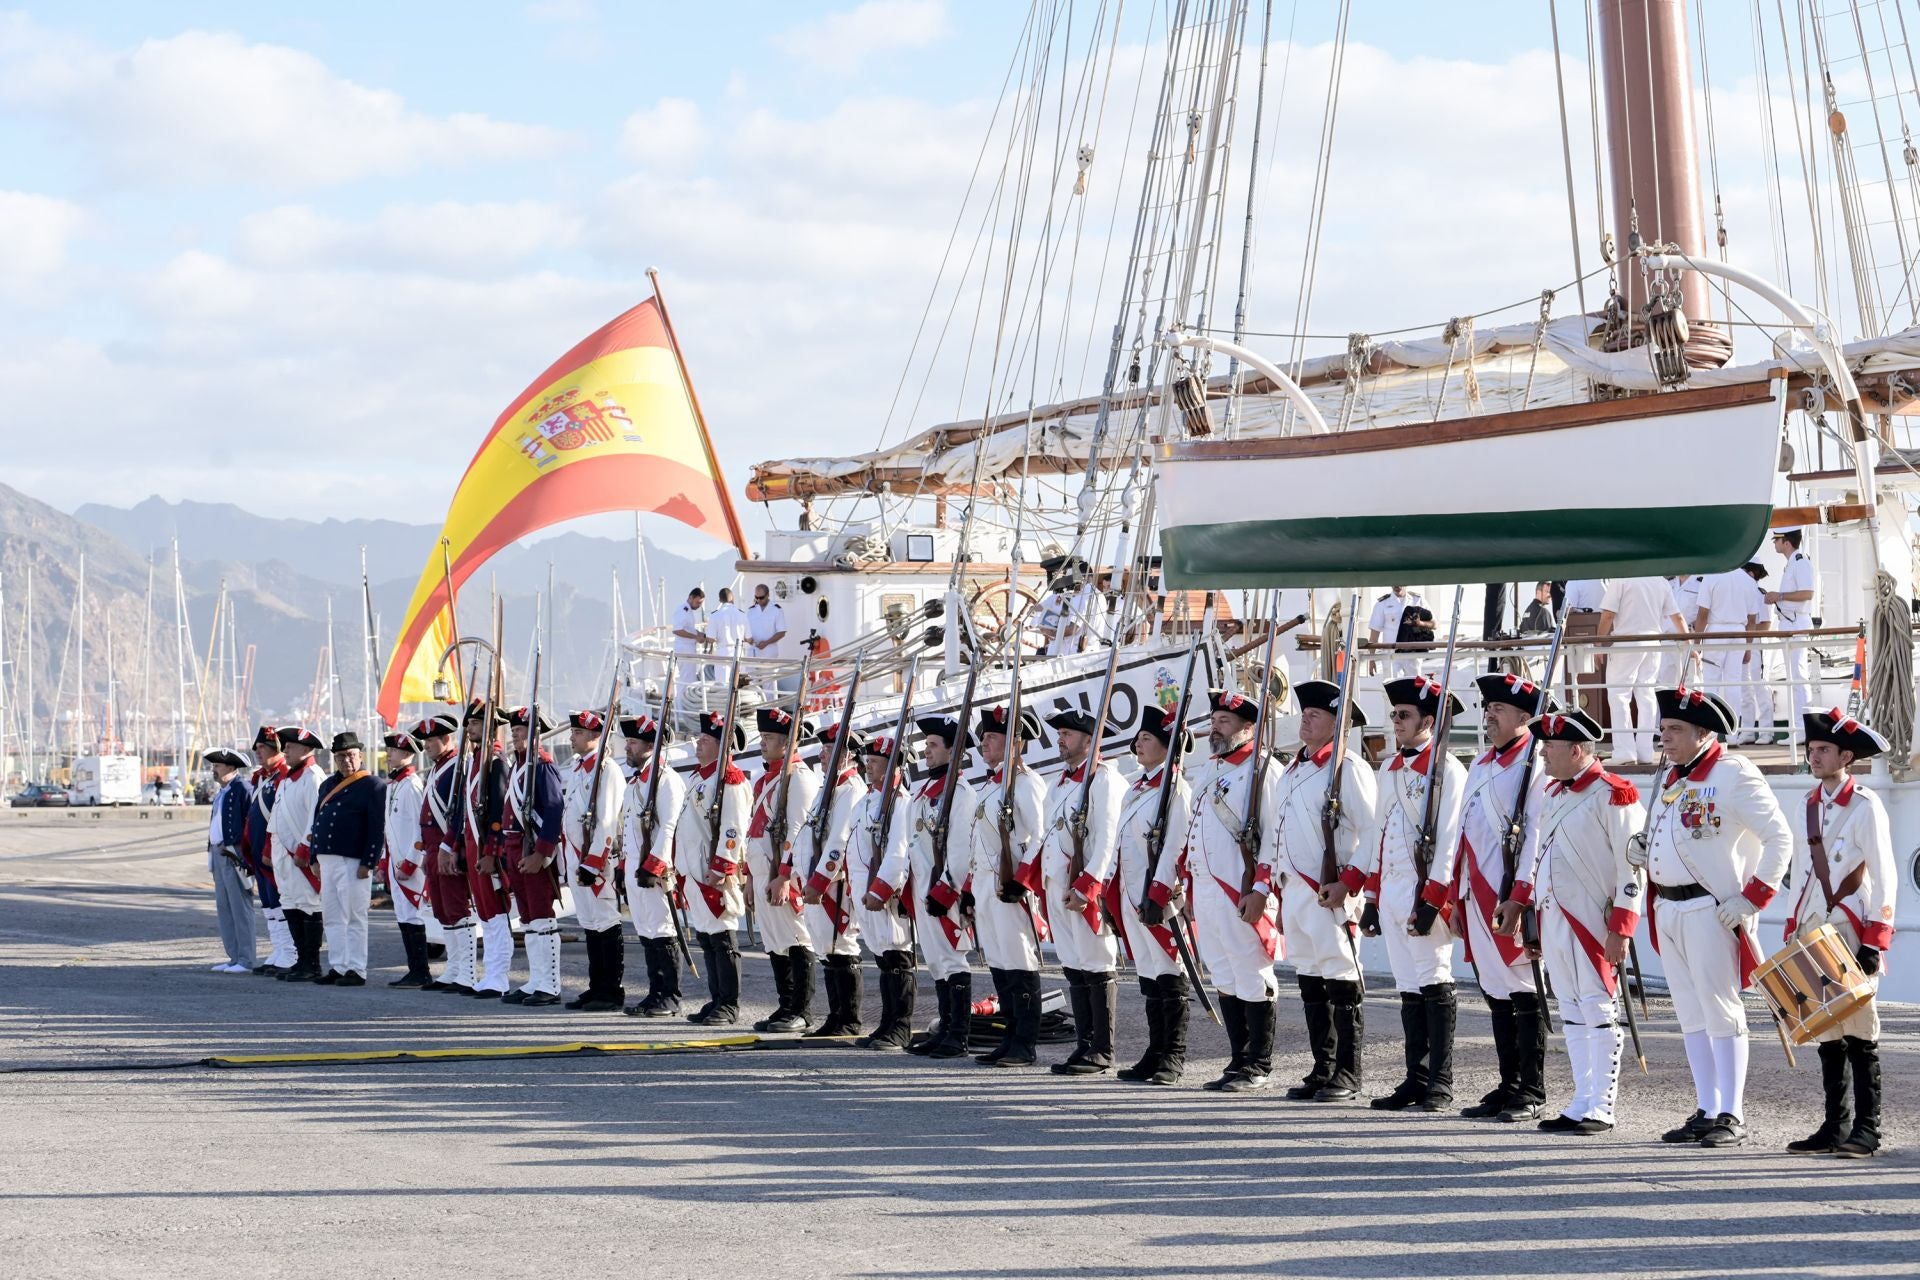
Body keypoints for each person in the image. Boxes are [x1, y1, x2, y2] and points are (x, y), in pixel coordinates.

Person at [1624, 686, 1792, 1149]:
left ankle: (1731, 1112)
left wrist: (1753, 898)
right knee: (1690, 1015)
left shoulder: (1733, 773)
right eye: (1662, 730)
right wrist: (1643, 850)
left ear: (1703, 733)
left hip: (1710, 908)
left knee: (1721, 1011)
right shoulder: (1674, 777)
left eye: (1675, 730)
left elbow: (1780, 838)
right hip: (1670, 907)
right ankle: (1706, 1106)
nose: (1665, 739)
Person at [1500, 709, 1642, 1135]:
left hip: (1592, 922)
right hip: (1555, 917)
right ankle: (1582, 1099)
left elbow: (1631, 868)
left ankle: (1603, 1105)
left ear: (1577, 750)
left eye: (1550, 748)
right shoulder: (1555, 793)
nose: (1542, 755)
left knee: (1599, 1010)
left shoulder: (1614, 794)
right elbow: (1541, 856)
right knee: (1573, 1013)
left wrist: (1622, 928)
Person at [1782, 708, 1897, 1157]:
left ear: (1846, 756)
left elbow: (1885, 877)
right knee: (1825, 1027)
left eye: (1823, 750)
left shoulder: (1866, 806)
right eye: (1811, 750)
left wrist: (1875, 940)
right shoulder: (1806, 805)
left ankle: (1868, 1129)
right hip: (1812, 928)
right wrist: (1792, 928)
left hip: (1850, 927)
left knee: (1860, 1029)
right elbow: (1801, 873)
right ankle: (1835, 1125)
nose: (1814, 756)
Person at [1360, 676, 1465, 1113]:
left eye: (1404, 716)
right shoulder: (1390, 768)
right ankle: (1415, 1078)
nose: (1396, 722)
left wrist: (1432, 900)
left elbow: (1450, 839)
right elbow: (1378, 834)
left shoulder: (1449, 770)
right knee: (1409, 988)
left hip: (1425, 893)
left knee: (1435, 980)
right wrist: (1370, 896)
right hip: (1394, 891)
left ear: (1429, 720)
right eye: (1394, 715)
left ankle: (1440, 1081)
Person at [1274, 680, 1379, 1103]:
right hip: (1297, 890)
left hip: (1329, 890)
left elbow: (1371, 832)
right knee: (1311, 980)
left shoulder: (1348, 767)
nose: (1305, 719)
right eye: (1305, 713)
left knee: (1340, 976)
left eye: (1316, 715)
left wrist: (1349, 882)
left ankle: (1348, 1073)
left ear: (1338, 725)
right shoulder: (1294, 768)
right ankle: (1323, 1066)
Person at [1457, 675, 1549, 1121]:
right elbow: (1464, 832)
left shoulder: (1535, 763)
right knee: (1496, 991)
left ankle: (1530, 1088)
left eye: (1499, 708)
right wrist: (1456, 895)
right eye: (1487, 707)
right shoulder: (1481, 764)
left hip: (1510, 893)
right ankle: (1508, 1082)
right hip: (1477, 893)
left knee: (1523, 990)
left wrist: (1521, 894)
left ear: (1524, 718)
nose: (1489, 715)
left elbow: (1534, 835)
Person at [1183, 690, 1283, 1092]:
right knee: (1223, 972)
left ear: (1247, 728)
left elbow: (1275, 836)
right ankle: (1238, 1059)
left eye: (1225, 721)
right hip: (1208, 888)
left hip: (1239, 887)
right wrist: (1191, 887)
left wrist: (1260, 887)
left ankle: (1259, 1063)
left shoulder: (1263, 769)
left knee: (1251, 970)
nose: (1215, 727)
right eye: (1215, 719)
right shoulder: (1211, 770)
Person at [1038, 709, 1125, 1076]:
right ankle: (1084, 1044)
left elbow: (1107, 839)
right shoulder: (1059, 782)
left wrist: (1088, 887)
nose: (1061, 739)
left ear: (1090, 741)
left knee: (1096, 963)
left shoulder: (1105, 780)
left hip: (1083, 888)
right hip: (1058, 886)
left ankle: (1102, 1049)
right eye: (1059, 733)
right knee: (1074, 966)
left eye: (1068, 734)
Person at [1114, 706, 1194, 1086]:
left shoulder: (1176, 788)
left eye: (1147, 738)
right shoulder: (1137, 786)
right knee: (1149, 974)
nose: (1138, 744)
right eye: (1139, 738)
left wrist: (1158, 893)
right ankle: (1155, 1050)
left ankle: (1172, 1056)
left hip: (1156, 895)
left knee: (1168, 972)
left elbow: (1177, 844)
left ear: (1167, 746)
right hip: (1133, 894)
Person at [967, 704, 1047, 1067]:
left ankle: (1024, 1043)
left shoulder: (1026, 783)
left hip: (1010, 884)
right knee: (999, 962)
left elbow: (1038, 837)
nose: (984, 744)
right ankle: (1009, 1036)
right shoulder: (991, 784)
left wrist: (1020, 881)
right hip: (987, 883)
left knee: (1019, 961)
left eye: (993, 738)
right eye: (983, 738)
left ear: (1017, 744)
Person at [906, 713, 978, 1058]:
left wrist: (946, 889)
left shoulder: (961, 794)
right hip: (924, 890)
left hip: (942, 892)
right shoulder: (924, 792)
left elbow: (962, 849)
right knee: (936, 961)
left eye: (933, 746)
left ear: (953, 750)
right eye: (926, 745)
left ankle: (958, 1035)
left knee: (953, 960)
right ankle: (944, 1029)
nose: (926, 751)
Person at [748, 705, 821, 1032]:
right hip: (766, 873)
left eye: (770, 738)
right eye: (763, 736)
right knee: (775, 942)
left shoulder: (799, 779)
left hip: (784, 875)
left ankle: (801, 1010)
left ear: (787, 742)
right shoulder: (771, 777)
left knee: (795, 939)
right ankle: (785, 1005)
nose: (763, 743)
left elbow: (797, 832)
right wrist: (751, 877)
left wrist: (783, 876)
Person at [676, 711, 751, 1025]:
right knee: (707, 937)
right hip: (694, 869)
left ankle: (729, 1004)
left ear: (722, 746)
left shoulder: (730, 781)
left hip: (713, 871)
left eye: (706, 739)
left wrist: (722, 866)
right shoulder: (699, 777)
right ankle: (716, 998)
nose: (698, 743)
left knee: (722, 936)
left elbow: (733, 829)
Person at [796, 722, 869, 1038]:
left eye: (831, 750)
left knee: (841, 945)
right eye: (824, 749)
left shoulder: (852, 791)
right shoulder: (830, 788)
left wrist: (819, 880)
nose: (824, 756)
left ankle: (848, 1018)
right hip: (817, 883)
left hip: (833, 886)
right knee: (827, 948)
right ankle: (836, 1016)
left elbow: (838, 841)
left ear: (850, 755)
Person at [850, 731, 915, 1050]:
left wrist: (882, 888)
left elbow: (899, 851)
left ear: (894, 768)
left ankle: (900, 1027)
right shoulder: (868, 800)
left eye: (876, 763)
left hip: (886, 892)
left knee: (897, 956)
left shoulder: (900, 803)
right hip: (866, 889)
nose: (868, 767)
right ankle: (887, 1023)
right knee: (882, 957)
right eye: (868, 762)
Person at [621, 712, 688, 1018]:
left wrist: (654, 866)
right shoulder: (637, 782)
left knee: (662, 928)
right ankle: (655, 992)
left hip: (654, 869)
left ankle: (670, 996)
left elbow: (669, 827)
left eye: (633, 742)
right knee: (647, 930)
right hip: (636, 866)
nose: (627, 748)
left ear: (650, 745)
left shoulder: (667, 780)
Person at [562, 709, 628, 1012]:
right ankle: (596, 986)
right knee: (589, 923)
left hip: (596, 863)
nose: (572, 737)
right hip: (577, 858)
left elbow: (607, 821)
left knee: (605, 921)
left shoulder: (607, 770)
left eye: (578, 733)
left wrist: (593, 863)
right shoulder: (579, 769)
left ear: (595, 736)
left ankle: (611, 991)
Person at [500, 707, 565, 1007]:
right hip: (515, 849)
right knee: (527, 919)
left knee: (541, 916)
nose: (515, 734)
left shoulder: (542, 766)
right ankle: (536, 979)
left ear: (536, 734)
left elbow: (553, 810)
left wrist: (542, 853)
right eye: (513, 731)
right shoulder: (519, 767)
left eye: (521, 730)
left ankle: (550, 984)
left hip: (532, 849)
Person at [308, 731, 383, 986]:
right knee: (331, 915)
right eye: (341, 756)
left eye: (351, 755)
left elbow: (376, 827)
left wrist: (368, 861)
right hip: (328, 859)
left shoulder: (372, 785)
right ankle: (338, 966)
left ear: (360, 755)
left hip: (353, 860)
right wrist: (313, 857)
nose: (346, 761)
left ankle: (356, 969)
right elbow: (317, 821)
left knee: (354, 915)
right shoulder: (327, 785)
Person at [1599, 576, 1688, 766]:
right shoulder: (1661, 581)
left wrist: (1598, 642)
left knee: (1619, 695)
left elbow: (1608, 615)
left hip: (1626, 642)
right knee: (1646, 696)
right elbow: (1677, 617)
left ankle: (1625, 751)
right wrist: (1690, 645)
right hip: (1654, 643)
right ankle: (1645, 751)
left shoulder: (1621, 580)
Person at [417, 714, 476, 994]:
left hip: (447, 846)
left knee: (457, 909)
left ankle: (467, 971)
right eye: (426, 740)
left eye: (431, 740)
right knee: (442, 911)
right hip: (432, 849)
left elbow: (460, 812)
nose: (426, 745)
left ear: (446, 739)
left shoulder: (457, 766)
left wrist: (449, 847)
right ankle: (453, 968)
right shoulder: (438, 768)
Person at [460, 701, 515, 999]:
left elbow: (498, 810)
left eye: (476, 723)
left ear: (490, 726)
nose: (469, 728)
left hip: (486, 848)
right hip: (474, 847)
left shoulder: (495, 762)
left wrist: (492, 852)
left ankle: (498, 976)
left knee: (496, 914)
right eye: (469, 723)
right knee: (485, 914)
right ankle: (490, 973)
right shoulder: (476, 761)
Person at [268, 726, 327, 983]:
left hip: (300, 854)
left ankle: (312, 963)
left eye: (289, 747)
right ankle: (300, 960)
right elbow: (277, 816)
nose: (285, 751)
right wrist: (269, 849)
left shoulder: (313, 776)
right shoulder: (288, 778)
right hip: (283, 853)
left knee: (308, 906)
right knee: (290, 904)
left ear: (305, 749)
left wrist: (305, 849)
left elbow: (316, 817)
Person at [380, 728, 433, 988]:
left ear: (408, 754)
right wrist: (384, 861)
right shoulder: (395, 785)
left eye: (394, 750)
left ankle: (421, 970)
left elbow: (419, 828)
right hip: (395, 861)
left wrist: (412, 862)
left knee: (413, 915)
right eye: (389, 750)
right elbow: (388, 828)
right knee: (403, 914)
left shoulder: (411, 786)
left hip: (409, 864)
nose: (389, 754)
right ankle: (414, 969)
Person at [241, 726, 292, 976]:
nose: (258, 753)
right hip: (259, 847)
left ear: (277, 749)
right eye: (258, 748)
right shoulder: (261, 777)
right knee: (269, 904)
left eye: (263, 748)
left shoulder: (284, 775)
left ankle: (290, 952)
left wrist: (270, 849)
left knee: (281, 901)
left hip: (275, 849)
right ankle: (279, 950)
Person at [205, 747, 257, 973]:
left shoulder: (242, 789)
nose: (213, 770)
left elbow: (251, 824)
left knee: (240, 907)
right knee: (224, 907)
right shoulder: (223, 792)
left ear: (230, 767)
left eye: (217, 766)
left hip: (234, 853)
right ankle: (234, 957)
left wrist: (247, 856)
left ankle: (246, 959)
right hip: (219, 852)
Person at [1765, 529, 1818, 746]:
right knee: (1794, 678)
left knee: (1798, 679)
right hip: (1789, 624)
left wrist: (1780, 596)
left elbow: (1808, 593)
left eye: (1776, 540)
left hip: (1796, 624)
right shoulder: (1792, 564)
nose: (1774, 544)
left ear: (1786, 542)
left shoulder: (1800, 562)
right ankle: (1799, 729)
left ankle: (1803, 729)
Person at [1692, 567, 1757, 718]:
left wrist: (1696, 645)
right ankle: (1732, 733)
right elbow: (1752, 620)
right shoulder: (1749, 581)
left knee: (1711, 682)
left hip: (1716, 632)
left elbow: (1702, 615)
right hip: (1739, 633)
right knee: (1733, 683)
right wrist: (1748, 647)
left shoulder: (1711, 577)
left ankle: (1710, 729)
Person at [1734, 562, 1774, 745]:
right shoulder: (1743, 593)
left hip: (1757, 644)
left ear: (1750, 573)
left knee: (1760, 685)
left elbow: (1766, 624)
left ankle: (1766, 731)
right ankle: (1748, 730)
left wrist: (1749, 635)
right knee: (1745, 688)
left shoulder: (1760, 595)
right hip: (1743, 642)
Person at [1368, 586, 1427, 678]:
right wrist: (1371, 659)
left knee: (1414, 688)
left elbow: (1433, 623)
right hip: (1392, 656)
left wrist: (1420, 624)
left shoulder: (1418, 600)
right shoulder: (1382, 604)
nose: (1397, 585)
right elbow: (1374, 634)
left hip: (1413, 655)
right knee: (1394, 687)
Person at [746, 584, 789, 688]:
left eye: (761, 597)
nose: (759, 600)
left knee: (769, 683)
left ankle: (771, 705)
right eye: (756, 597)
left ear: (768, 595)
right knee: (751, 682)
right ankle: (753, 704)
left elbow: (782, 632)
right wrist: (748, 639)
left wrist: (766, 643)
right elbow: (744, 631)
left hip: (769, 652)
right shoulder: (750, 611)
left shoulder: (776, 610)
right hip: (753, 652)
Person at [708, 587, 750, 679]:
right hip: (739, 652)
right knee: (739, 684)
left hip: (723, 653)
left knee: (723, 686)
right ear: (732, 598)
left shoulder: (715, 615)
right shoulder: (742, 614)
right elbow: (748, 638)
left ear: (720, 600)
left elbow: (711, 639)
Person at [672, 586, 709, 684]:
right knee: (686, 678)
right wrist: (696, 637)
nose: (699, 606)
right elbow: (677, 630)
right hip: (684, 649)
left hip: (688, 648)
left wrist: (699, 633)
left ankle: (685, 699)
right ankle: (681, 699)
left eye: (701, 603)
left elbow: (688, 628)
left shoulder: (688, 610)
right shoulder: (683, 610)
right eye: (698, 602)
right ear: (691, 597)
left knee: (690, 678)